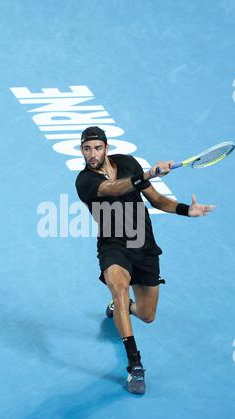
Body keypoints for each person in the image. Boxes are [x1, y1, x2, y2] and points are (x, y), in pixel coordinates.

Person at [75, 126, 215, 395]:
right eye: (86, 149)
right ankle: (134, 365)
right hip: (113, 245)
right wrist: (148, 174)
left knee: (148, 315)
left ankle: (122, 307)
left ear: (106, 147)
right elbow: (114, 189)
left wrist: (187, 210)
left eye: (97, 147)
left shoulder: (127, 162)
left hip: (144, 245)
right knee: (118, 286)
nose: (92, 154)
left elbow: (157, 200)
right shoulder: (84, 181)